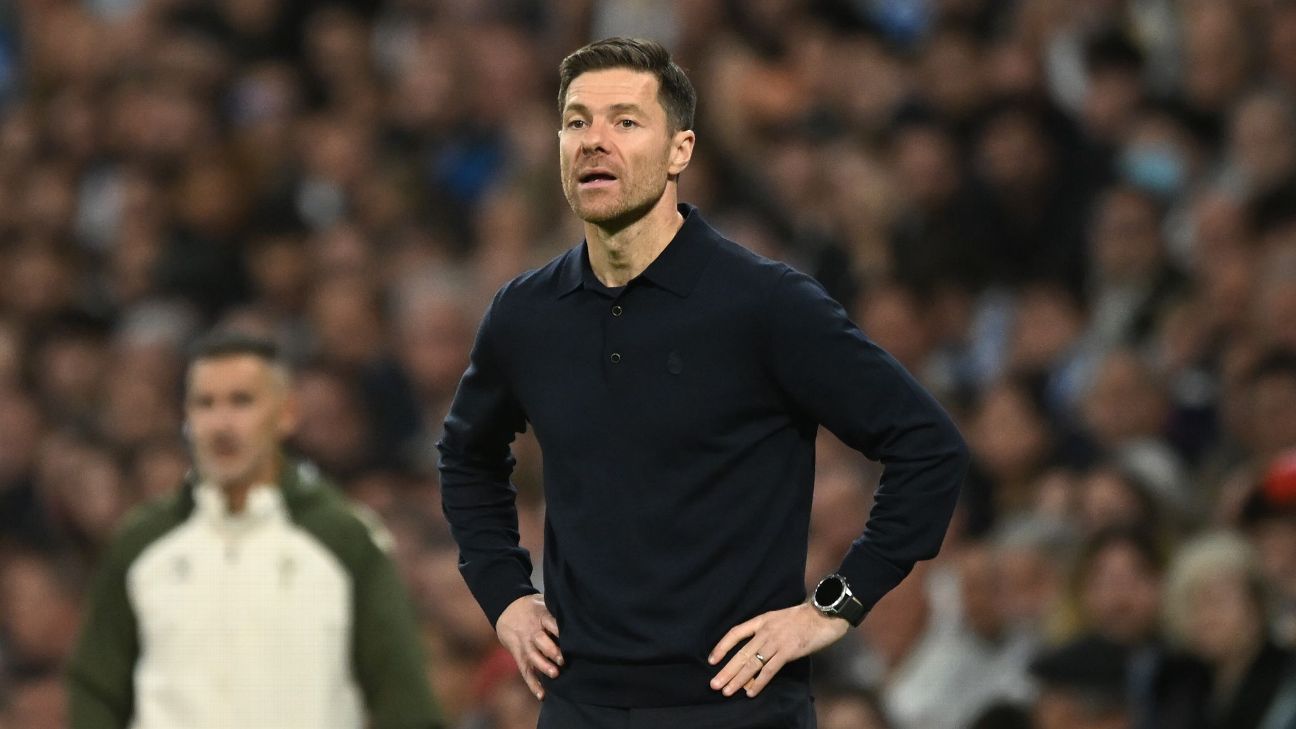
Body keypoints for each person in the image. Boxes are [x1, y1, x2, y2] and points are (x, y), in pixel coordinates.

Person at [437, 37, 968, 728]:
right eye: (576, 121)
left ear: (679, 151)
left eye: (626, 121)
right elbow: (467, 456)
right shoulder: (526, 313)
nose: (594, 140)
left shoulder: (766, 304)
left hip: (738, 707)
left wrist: (834, 606)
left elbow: (928, 447)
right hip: (579, 704)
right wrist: (505, 593)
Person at [65, 332, 442, 729]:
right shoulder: (141, 541)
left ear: (286, 413)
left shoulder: (344, 537)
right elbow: (96, 688)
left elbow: (403, 695)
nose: (221, 424)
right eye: (205, 404)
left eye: (241, 401)